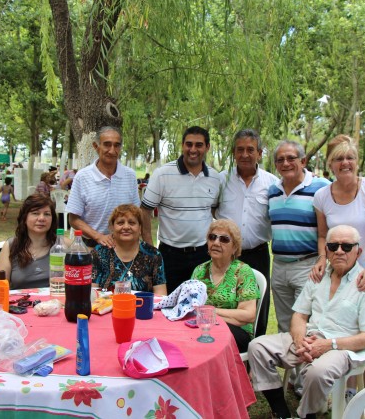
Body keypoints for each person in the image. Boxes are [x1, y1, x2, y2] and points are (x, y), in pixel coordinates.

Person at [248, 225, 365, 419]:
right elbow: (299, 315)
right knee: (257, 347)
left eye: (346, 247)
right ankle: (280, 411)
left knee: (318, 372)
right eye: (333, 246)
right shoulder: (317, 276)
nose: (339, 251)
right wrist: (299, 341)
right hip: (309, 338)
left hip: (343, 347)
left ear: (358, 251)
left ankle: (307, 415)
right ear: (326, 250)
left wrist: (328, 345)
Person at [311, 134, 365, 390]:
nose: (345, 163)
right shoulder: (322, 196)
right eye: (339, 159)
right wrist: (323, 258)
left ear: (357, 162)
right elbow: (323, 234)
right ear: (330, 165)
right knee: (344, 330)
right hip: (340, 272)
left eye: (350, 158)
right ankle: (348, 390)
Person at [141, 126, 221, 294]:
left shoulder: (215, 178)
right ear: (182, 145)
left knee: (200, 306)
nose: (193, 150)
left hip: (203, 255)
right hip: (170, 255)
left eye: (199, 145)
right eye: (188, 144)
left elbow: (212, 211)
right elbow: (145, 211)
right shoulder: (162, 174)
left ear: (207, 147)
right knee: (167, 306)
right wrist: (150, 249)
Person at [215, 128, 277, 336]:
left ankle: (255, 356)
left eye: (250, 149)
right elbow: (211, 209)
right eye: (240, 149)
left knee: (258, 306)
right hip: (227, 255)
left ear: (260, 153)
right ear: (233, 152)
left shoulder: (272, 184)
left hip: (257, 253)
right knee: (226, 303)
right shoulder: (221, 180)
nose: (244, 155)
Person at [268, 140, 330, 333]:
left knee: (307, 324)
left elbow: (328, 229)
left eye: (291, 158)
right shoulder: (273, 190)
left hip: (308, 266)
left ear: (303, 161)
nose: (285, 163)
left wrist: (323, 259)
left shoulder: (322, 187)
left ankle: (307, 364)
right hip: (278, 266)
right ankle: (289, 364)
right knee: (284, 324)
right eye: (280, 160)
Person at [191, 219, 259, 352]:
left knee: (208, 340)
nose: (216, 242)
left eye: (224, 239)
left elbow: (248, 315)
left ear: (234, 247)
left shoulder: (243, 272)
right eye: (212, 237)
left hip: (238, 332)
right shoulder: (199, 270)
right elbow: (190, 307)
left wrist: (209, 313)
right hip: (202, 327)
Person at [66, 126, 140, 248]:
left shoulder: (130, 175)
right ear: (96, 146)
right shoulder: (82, 177)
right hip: (92, 245)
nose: (112, 150)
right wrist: (98, 236)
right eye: (107, 144)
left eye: (117, 145)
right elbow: (73, 219)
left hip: (125, 245)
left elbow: (137, 213)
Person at [91, 204, 167, 295]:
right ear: (112, 227)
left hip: (143, 307)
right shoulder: (99, 253)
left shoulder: (154, 254)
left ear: (140, 228)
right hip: (106, 307)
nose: (126, 227)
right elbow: (93, 292)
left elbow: (161, 295)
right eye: (120, 223)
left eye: (132, 223)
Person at [0, 194, 57, 290]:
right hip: (19, 303)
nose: (41, 218)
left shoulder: (62, 245)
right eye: (35, 213)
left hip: (54, 303)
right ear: (24, 218)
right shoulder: (11, 246)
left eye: (47, 214)